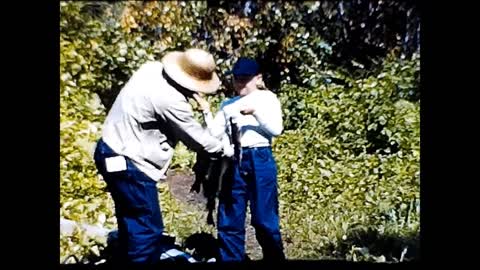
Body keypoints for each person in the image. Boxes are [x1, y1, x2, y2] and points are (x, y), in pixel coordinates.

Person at [93, 48, 232, 264]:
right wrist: (225, 149)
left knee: (130, 221)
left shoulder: (150, 69)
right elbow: (199, 141)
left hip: (107, 149)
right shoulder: (171, 102)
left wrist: (190, 93)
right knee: (148, 229)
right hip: (131, 164)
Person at [194, 58, 286, 261]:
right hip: (233, 160)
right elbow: (215, 133)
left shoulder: (267, 98)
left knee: (264, 218)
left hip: (259, 157)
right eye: (237, 80)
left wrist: (255, 113)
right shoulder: (228, 104)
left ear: (258, 79)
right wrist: (207, 111)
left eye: (246, 79)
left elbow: (276, 130)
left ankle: (274, 257)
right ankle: (230, 258)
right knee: (229, 216)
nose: (241, 84)